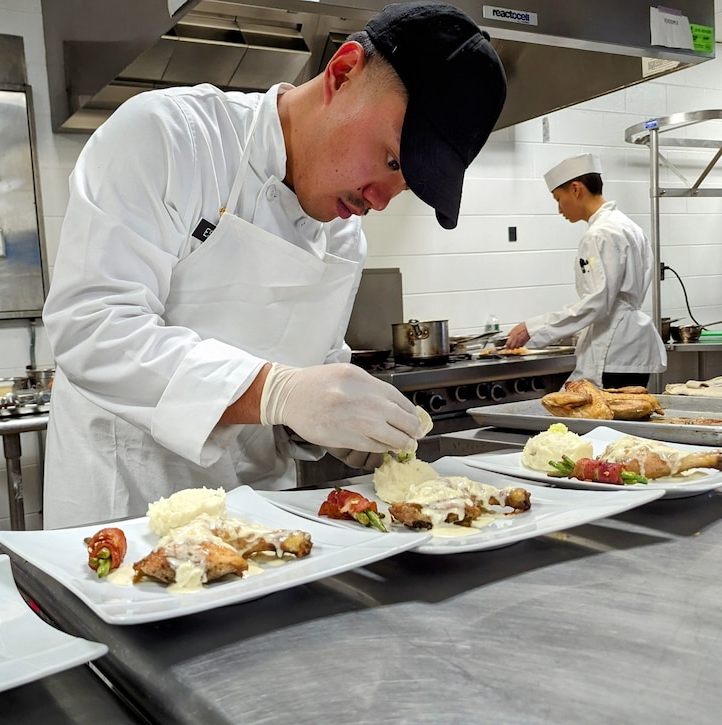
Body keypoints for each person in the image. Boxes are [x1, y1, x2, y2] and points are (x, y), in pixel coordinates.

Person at [41, 2, 507, 528]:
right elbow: (93, 330)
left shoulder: (345, 232)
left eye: (407, 186)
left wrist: (337, 425)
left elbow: (306, 383)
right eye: (393, 161)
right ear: (343, 71)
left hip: (262, 526)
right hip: (125, 512)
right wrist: (277, 393)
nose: (381, 199)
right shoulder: (170, 137)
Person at [504, 153, 667, 388]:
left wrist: (534, 327)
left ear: (576, 189)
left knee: (603, 420)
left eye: (558, 199)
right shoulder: (628, 226)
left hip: (613, 350)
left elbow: (597, 302)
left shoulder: (599, 234)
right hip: (632, 348)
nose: (559, 209)